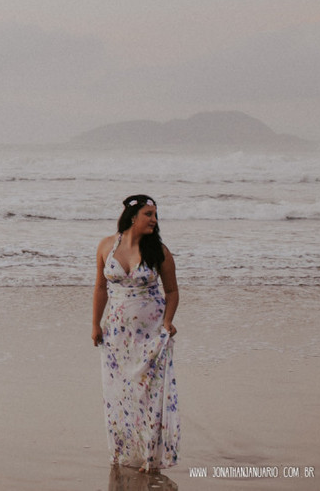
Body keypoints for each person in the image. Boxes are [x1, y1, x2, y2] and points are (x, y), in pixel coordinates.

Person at [91, 194, 179, 473]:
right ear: (133, 217)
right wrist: (95, 324)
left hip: (150, 333)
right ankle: (123, 451)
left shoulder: (160, 251)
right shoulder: (106, 245)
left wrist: (168, 321)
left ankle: (149, 455)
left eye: (155, 215)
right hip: (116, 332)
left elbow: (172, 291)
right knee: (119, 391)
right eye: (148, 214)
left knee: (148, 392)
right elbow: (100, 288)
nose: (154, 220)